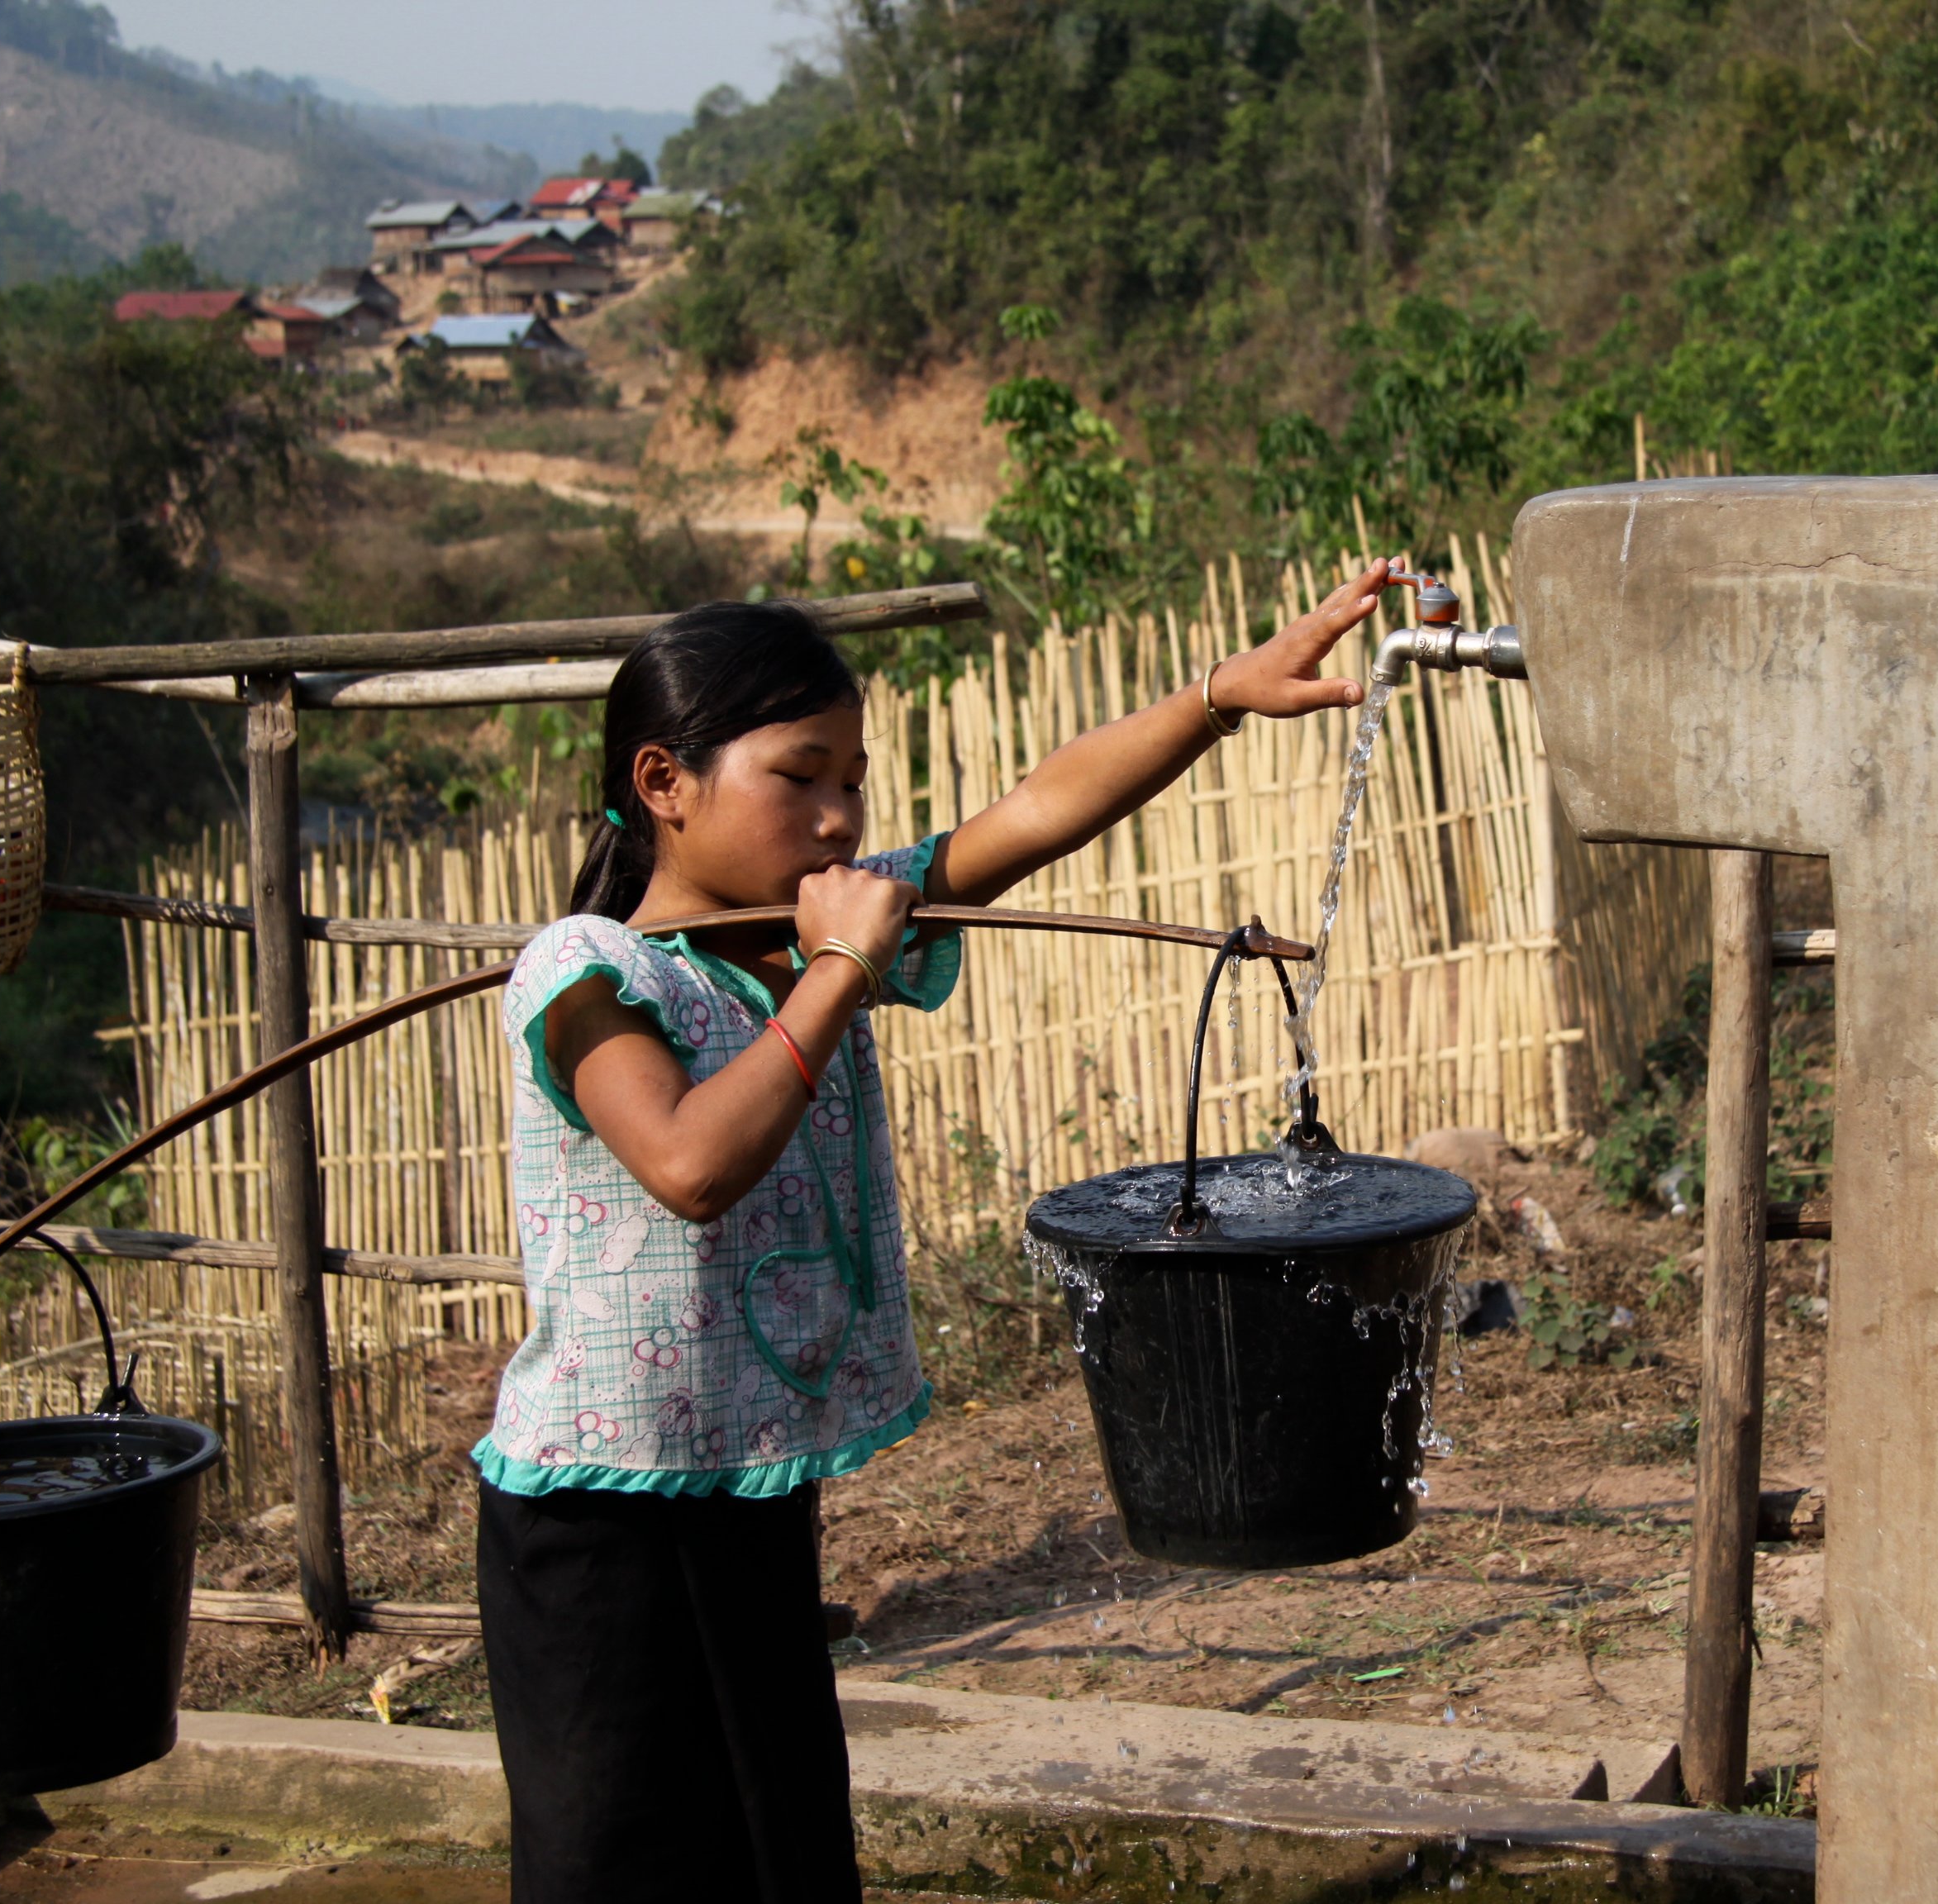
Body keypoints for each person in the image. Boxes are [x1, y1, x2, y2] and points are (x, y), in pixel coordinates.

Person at [474, 564, 1394, 1903]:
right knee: (613, 1863)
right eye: (801, 777)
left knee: (783, 1853)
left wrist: (1219, 700)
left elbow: (1025, 817)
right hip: (592, 1522)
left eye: (855, 778)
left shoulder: (798, 943)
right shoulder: (586, 970)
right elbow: (686, 1163)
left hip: (749, 1491)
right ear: (664, 782)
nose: (841, 815)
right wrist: (843, 969)